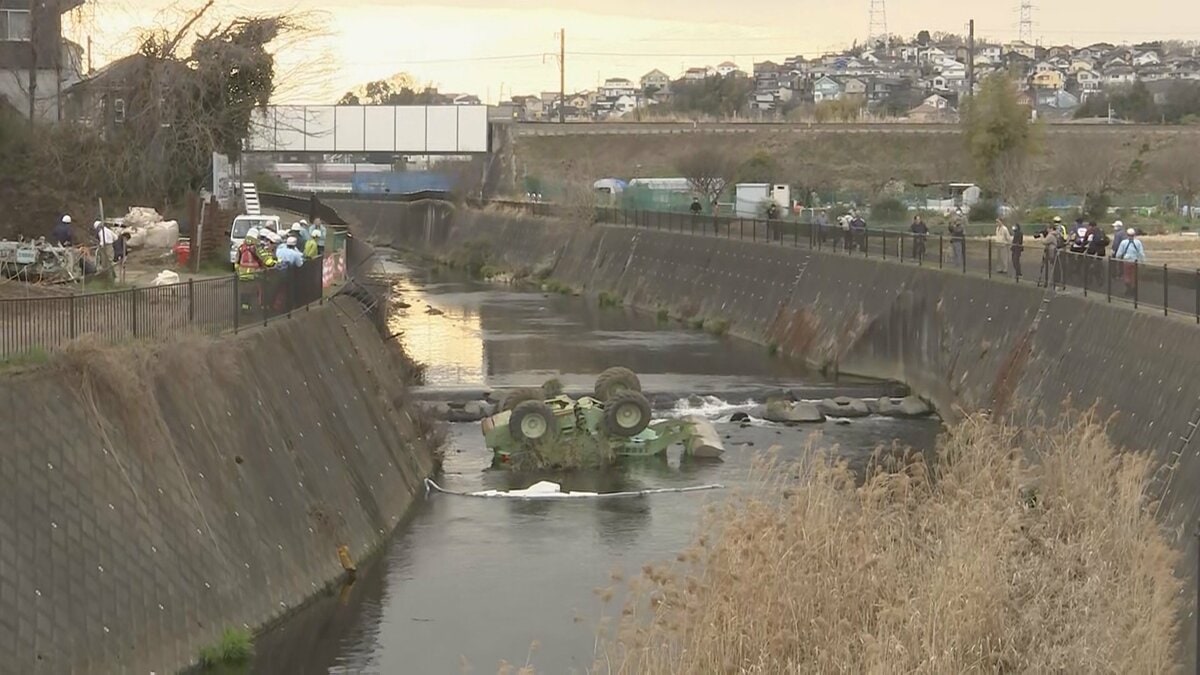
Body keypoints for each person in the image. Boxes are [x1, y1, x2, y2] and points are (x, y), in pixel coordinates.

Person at [1115, 227, 1145, 296]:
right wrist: (1143, 262)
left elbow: (1119, 253)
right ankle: (1133, 290)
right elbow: (1141, 253)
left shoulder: (1124, 242)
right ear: (1134, 235)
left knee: (1127, 275)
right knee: (1133, 276)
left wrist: (1117, 258)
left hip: (1126, 261)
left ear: (1127, 234)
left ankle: (1128, 289)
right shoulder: (1138, 242)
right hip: (1135, 261)